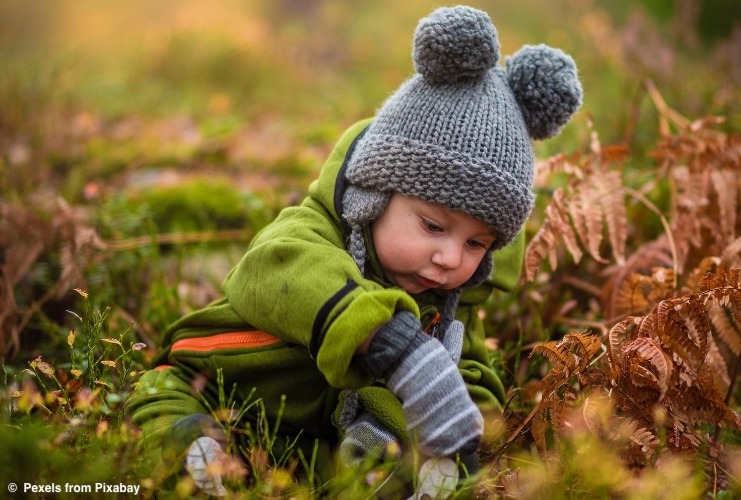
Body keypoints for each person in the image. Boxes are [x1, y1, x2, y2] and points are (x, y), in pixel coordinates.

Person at [126, 4, 581, 497]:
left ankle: (375, 467)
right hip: (217, 383)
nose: (451, 258)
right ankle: (194, 453)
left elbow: (469, 369)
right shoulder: (310, 234)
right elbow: (276, 270)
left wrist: (458, 432)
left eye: (476, 243)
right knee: (167, 404)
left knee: (395, 454)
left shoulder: (451, 299)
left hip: (313, 439)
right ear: (374, 196)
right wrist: (392, 344)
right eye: (432, 226)